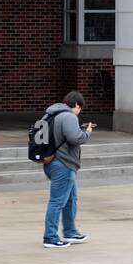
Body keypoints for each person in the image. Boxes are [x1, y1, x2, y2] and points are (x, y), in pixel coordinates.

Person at [42, 91, 94, 249]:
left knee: (70, 198)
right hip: (63, 164)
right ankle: (50, 237)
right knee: (57, 201)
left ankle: (70, 231)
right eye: (80, 109)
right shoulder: (69, 116)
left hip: (50, 162)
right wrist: (87, 133)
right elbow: (75, 138)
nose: (79, 112)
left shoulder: (50, 114)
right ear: (77, 105)